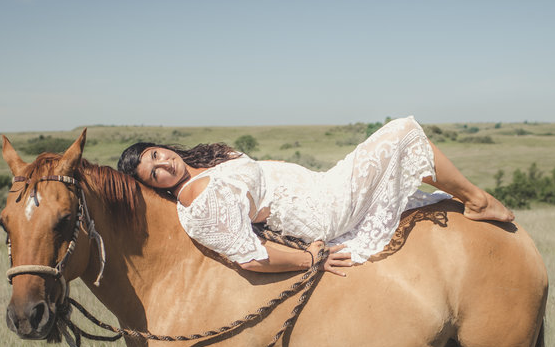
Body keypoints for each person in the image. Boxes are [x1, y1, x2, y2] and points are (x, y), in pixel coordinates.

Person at [117, 117, 514, 277]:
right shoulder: (197, 201)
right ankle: (478, 201)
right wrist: (310, 259)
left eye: (156, 155)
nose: (162, 165)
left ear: (161, 147)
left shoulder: (198, 166)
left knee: (398, 147)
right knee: (402, 133)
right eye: (153, 174)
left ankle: (470, 198)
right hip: (318, 209)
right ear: (155, 186)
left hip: (320, 186)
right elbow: (251, 256)